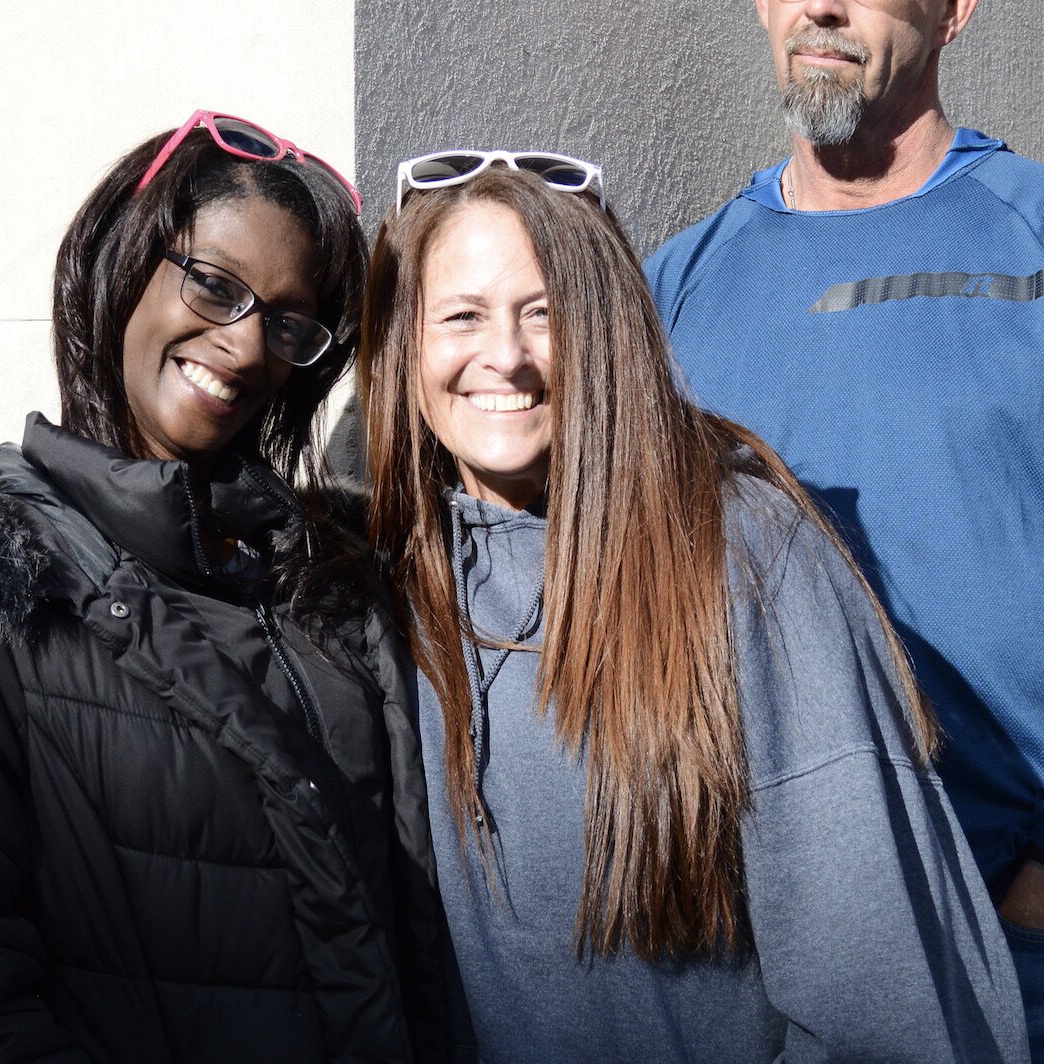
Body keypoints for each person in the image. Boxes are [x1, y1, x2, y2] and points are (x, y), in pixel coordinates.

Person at [359, 151, 1025, 1060]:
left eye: (544, 314)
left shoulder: (742, 556)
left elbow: (881, 996)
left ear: (608, 331)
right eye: (463, 316)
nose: (505, 356)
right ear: (406, 345)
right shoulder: (384, 581)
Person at [0, 110, 452, 1063]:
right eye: (214, 284)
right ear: (123, 261)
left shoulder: (323, 586)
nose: (245, 350)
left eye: (287, 322)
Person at [645, 0, 1044, 1049]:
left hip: (1019, 948)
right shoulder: (674, 289)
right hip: (766, 963)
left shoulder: (1030, 232)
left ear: (954, 12)